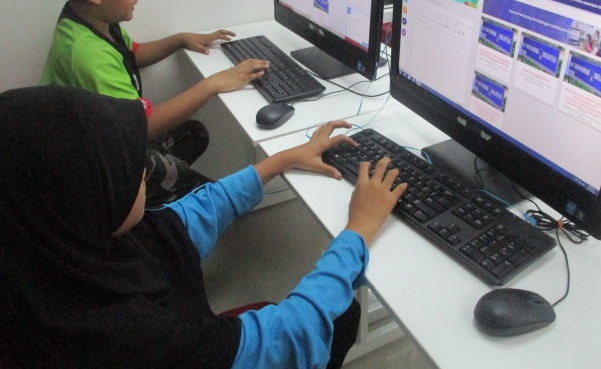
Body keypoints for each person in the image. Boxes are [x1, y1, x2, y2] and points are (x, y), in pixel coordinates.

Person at [0, 85, 407, 369]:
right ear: (83, 196)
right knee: (339, 315)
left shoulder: (55, 252)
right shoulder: (127, 339)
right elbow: (288, 339)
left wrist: (278, 162)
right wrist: (358, 231)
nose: (143, 168)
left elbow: (178, 224)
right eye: (125, 164)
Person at [40, 0, 269, 208]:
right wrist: (213, 84)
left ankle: (152, 207)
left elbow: (131, 54)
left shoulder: (90, 19)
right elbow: (142, 127)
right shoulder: (87, 54)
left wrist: (179, 40)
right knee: (214, 200)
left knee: (194, 133)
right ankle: (137, 213)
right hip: (95, 165)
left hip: (106, 140)